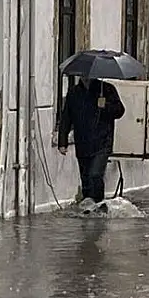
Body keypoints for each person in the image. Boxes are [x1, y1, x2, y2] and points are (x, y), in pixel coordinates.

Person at [57, 77, 126, 213]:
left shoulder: (106, 89)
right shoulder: (74, 93)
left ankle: (99, 205)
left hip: (102, 142)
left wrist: (105, 105)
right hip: (83, 142)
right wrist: (62, 141)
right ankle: (89, 208)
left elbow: (119, 110)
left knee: (95, 174)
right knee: (86, 179)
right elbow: (66, 118)